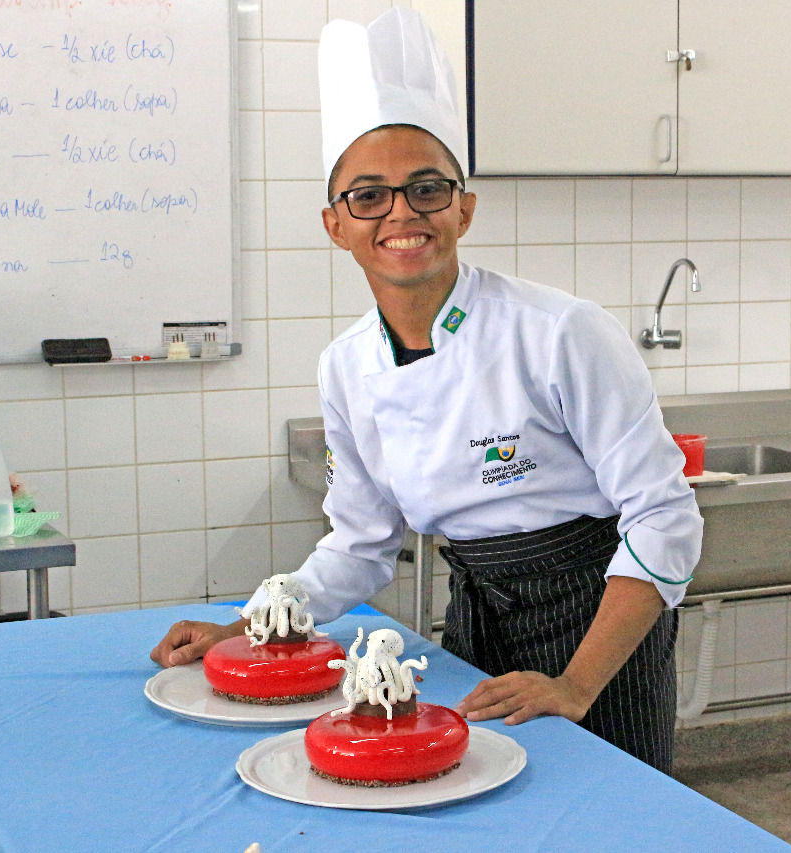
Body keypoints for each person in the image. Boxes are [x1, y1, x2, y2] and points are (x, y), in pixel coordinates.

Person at [150, 9, 703, 774]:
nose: (402, 213)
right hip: (477, 616)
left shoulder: (560, 332)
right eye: (369, 195)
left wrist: (577, 683)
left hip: (597, 619)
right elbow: (360, 541)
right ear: (335, 224)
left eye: (426, 189)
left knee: (603, 817)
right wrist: (254, 624)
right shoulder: (346, 367)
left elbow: (665, 515)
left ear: (463, 207)